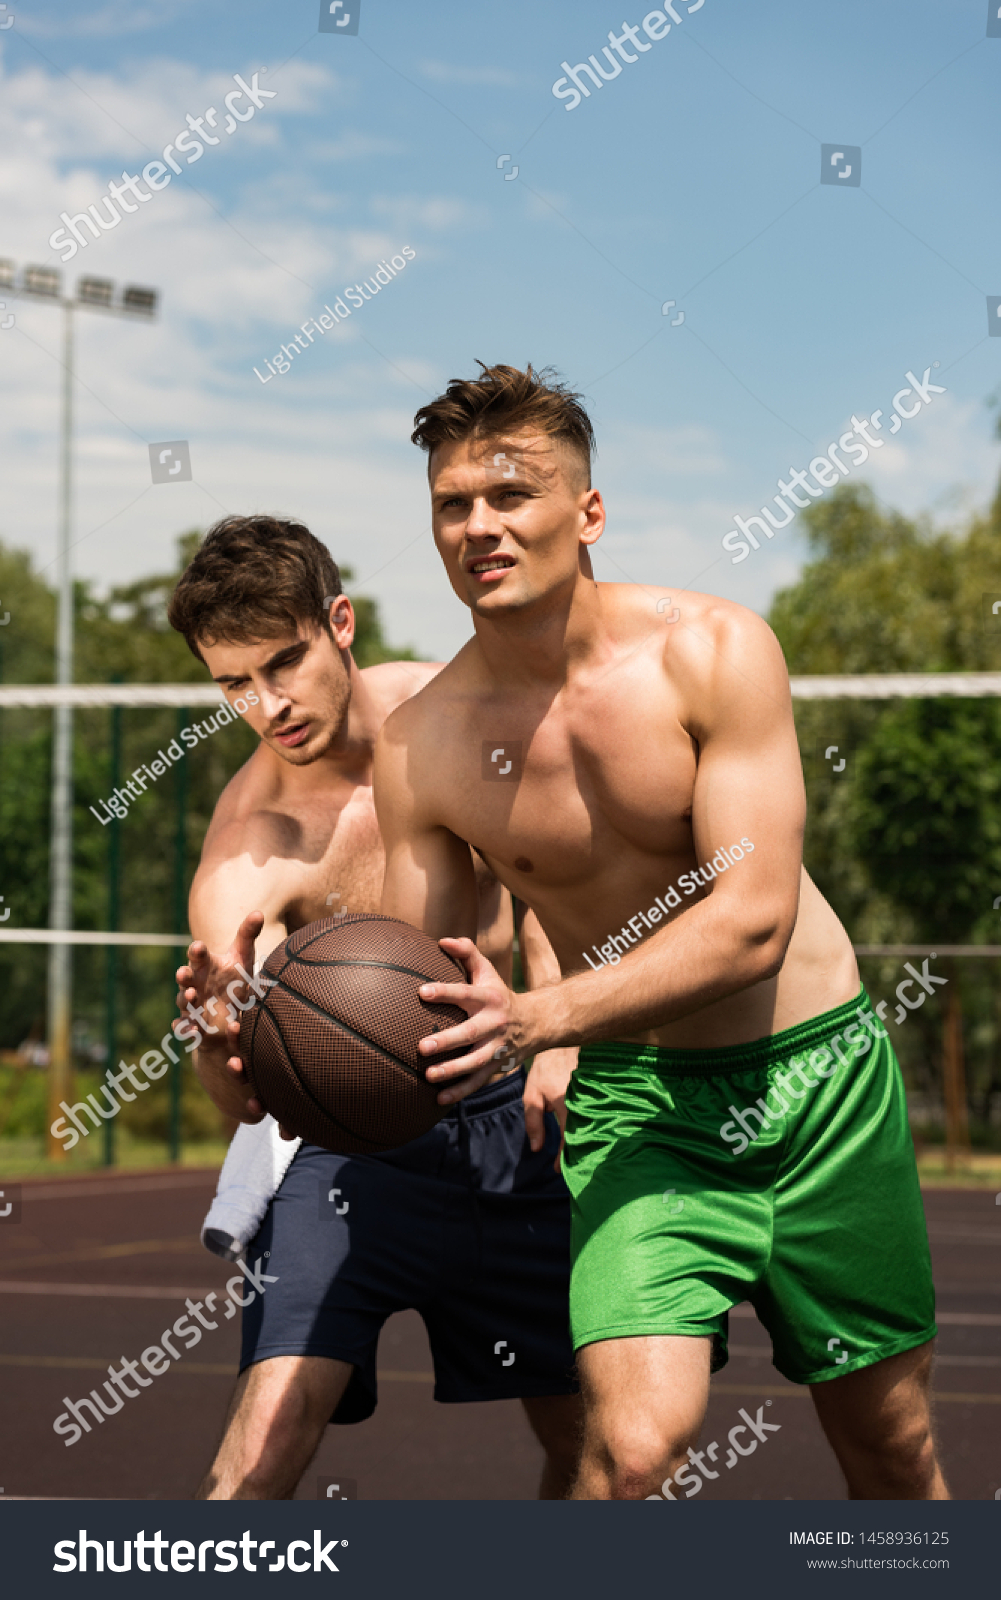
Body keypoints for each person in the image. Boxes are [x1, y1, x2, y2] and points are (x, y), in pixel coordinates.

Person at [373, 362, 948, 1502]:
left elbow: (749, 925)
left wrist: (540, 1016)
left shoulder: (714, 651)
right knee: (632, 1450)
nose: (478, 525)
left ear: (586, 512)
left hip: (816, 1079)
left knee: (888, 1449)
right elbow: (405, 983)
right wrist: (278, 1024)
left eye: (509, 494)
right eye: (452, 504)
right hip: (642, 1106)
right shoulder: (421, 745)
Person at [166, 513, 581, 1500]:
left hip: (513, 1107)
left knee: (599, 1442)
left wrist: (557, 1023)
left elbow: (548, 878)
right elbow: (246, 1108)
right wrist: (221, 1052)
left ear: (339, 622)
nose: (267, 705)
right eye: (233, 684)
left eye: (283, 663)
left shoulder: (448, 712)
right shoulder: (246, 856)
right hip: (349, 1145)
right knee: (264, 1438)